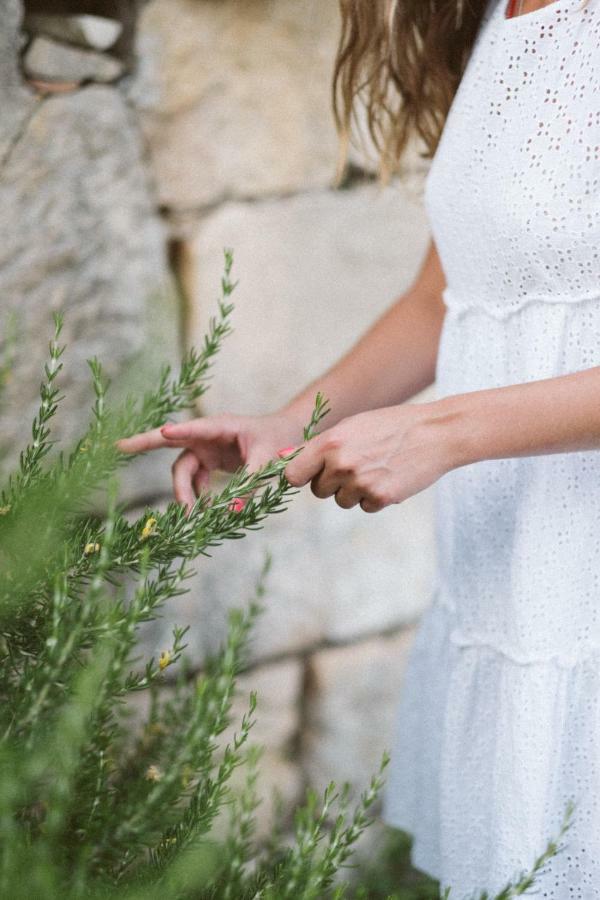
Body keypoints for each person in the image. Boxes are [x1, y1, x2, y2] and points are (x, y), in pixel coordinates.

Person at [118, 0, 600, 894]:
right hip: (523, 576)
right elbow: (446, 294)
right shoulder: (504, 16)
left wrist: (442, 431)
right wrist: (291, 424)